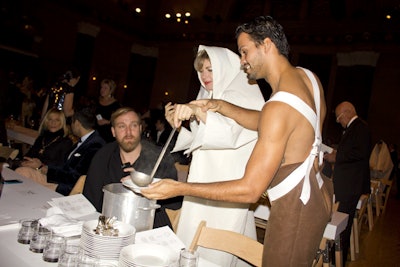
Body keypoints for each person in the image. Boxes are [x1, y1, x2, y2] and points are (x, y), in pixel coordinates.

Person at [142, 16, 332, 267]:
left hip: (294, 206)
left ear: (266, 45)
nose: (242, 62)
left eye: (244, 51)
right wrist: (220, 105)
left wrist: (179, 188)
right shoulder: (309, 78)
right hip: (318, 193)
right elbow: (268, 120)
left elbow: (250, 190)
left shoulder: (278, 106)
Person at [164, 45, 265, 266]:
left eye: (210, 69)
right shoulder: (207, 94)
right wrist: (179, 125)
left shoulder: (241, 94)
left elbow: (232, 135)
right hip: (202, 177)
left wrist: (199, 112)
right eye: (201, 71)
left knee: (222, 242)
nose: (205, 76)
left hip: (228, 181)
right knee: (194, 235)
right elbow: (200, 140)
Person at [83, 107, 182, 229]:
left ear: (140, 129)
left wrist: (146, 184)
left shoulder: (159, 158)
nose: (128, 132)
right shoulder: (104, 156)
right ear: (113, 131)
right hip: (109, 229)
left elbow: (176, 203)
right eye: (122, 127)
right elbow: (89, 201)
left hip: (150, 229)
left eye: (133, 126)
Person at [16, 108, 105, 195]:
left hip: (68, 187)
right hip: (58, 179)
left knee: (24, 175)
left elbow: (77, 177)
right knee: (23, 172)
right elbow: (65, 166)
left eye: (71, 122)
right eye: (50, 119)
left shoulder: (94, 145)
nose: (71, 126)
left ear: (77, 123)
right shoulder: (85, 141)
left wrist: (43, 168)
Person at [324, 101, 371, 265]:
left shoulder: (360, 127)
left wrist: (336, 157)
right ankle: (335, 258)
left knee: (342, 226)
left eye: (339, 117)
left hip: (350, 186)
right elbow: (352, 152)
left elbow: (360, 153)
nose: (338, 122)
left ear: (347, 112)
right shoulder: (355, 128)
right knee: (340, 224)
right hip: (347, 185)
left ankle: (337, 261)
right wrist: (338, 153)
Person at [9, 108, 73, 169]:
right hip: (31, 169)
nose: (53, 123)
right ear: (46, 122)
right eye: (50, 119)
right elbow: (29, 155)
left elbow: (62, 165)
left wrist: (40, 164)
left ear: (62, 123)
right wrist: (23, 162)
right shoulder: (41, 138)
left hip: (48, 175)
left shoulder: (66, 142)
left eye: (57, 120)